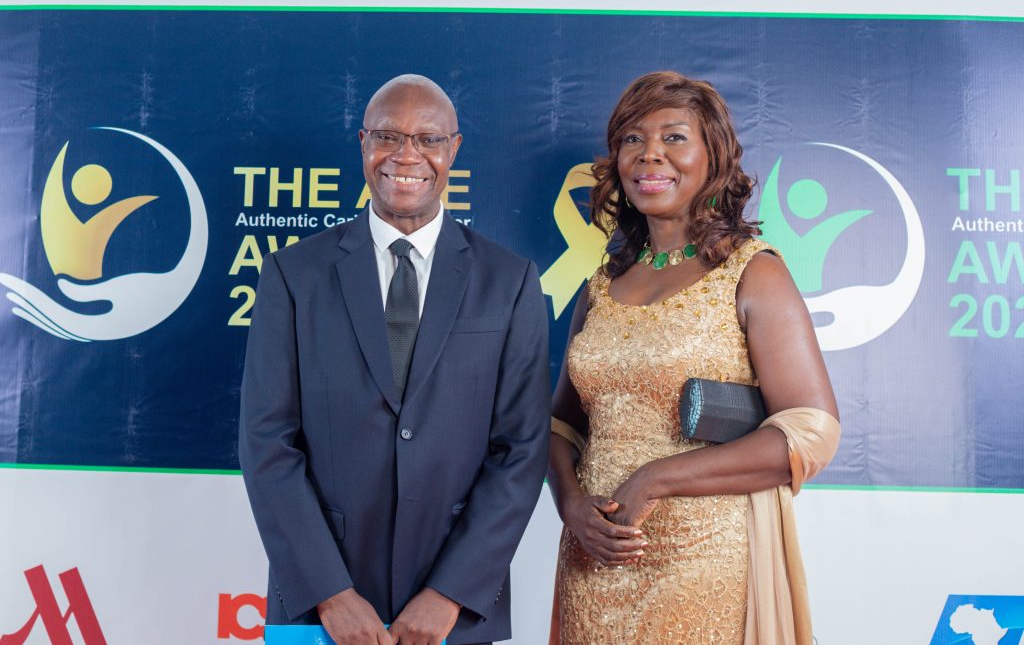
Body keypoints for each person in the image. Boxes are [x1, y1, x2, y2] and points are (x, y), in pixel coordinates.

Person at [239, 74, 550, 645]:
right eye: (388, 136)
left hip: (454, 612)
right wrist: (329, 593)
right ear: (363, 143)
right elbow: (266, 443)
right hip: (320, 609)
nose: (407, 155)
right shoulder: (293, 274)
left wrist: (451, 592)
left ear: (453, 149)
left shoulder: (510, 281)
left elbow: (522, 449)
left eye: (428, 139)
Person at [547, 71, 841, 645]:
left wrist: (656, 479)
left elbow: (811, 430)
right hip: (595, 563)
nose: (649, 154)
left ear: (715, 157)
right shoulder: (600, 286)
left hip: (706, 565)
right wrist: (572, 506)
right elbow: (561, 426)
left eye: (674, 137)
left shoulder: (753, 272)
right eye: (632, 139)